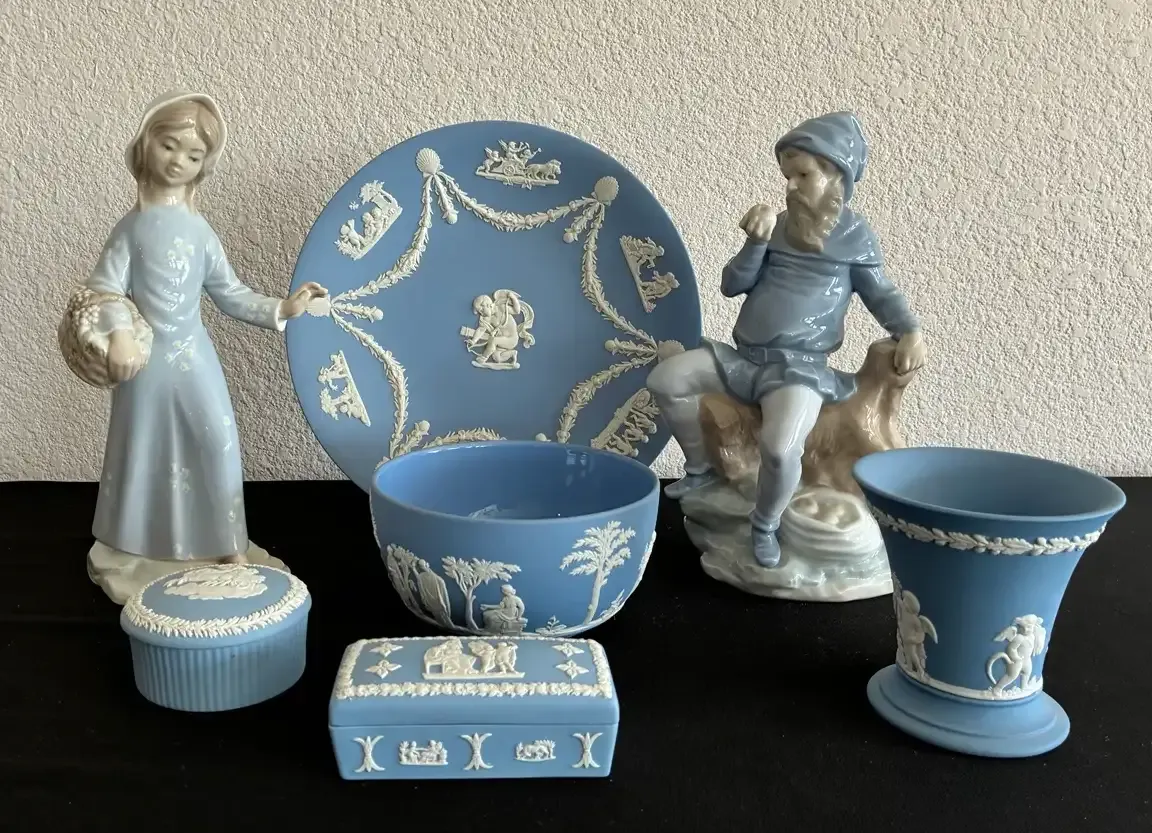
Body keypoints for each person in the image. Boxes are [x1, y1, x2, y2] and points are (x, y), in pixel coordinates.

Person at [647, 112, 926, 569]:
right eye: (787, 177)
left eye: (803, 175)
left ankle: (765, 524)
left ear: (836, 176)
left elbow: (882, 294)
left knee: (780, 448)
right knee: (666, 380)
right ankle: (698, 468)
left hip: (798, 368)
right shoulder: (775, 227)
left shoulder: (855, 237)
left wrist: (909, 330)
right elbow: (732, 285)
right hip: (745, 360)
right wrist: (754, 242)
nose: (791, 186)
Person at [73, 90, 326, 566]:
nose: (178, 161)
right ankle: (133, 544)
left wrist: (284, 308)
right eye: (169, 146)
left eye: (192, 155)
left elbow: (230, 293)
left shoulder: (200, 231)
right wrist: (120, 334)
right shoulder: (132, 227)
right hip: (146, 361)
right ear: (146, 144)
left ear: (204, 165)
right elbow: (103, 289)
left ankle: (226, 543)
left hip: (193, 354)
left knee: (216, 438)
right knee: (143, 447)